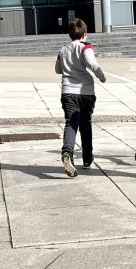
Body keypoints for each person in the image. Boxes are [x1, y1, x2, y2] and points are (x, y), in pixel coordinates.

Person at [54, 18, 106, 177]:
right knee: (86, 124)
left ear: (70, 35)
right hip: (86, 92)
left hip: (68, 91)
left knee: (71, 123)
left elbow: (57, 69)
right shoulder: (86, 46)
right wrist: (101, 76)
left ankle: (67, 153)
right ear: (84, 34)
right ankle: (87, 158)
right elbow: (92, 62)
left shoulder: (63, 49)